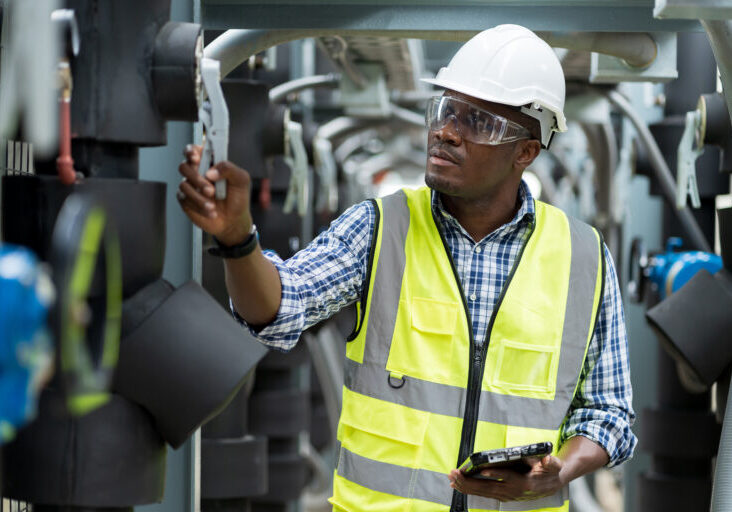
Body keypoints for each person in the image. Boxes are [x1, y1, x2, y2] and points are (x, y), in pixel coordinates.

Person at [177, 24, 636, 512]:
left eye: (477, 122)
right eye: (444, 110)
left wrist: (559, 472)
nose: (445, 132)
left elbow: (609, 413)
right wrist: (238, 241)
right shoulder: (380, 229)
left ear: (525, 151)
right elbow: (278, 309)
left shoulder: (583, 257)